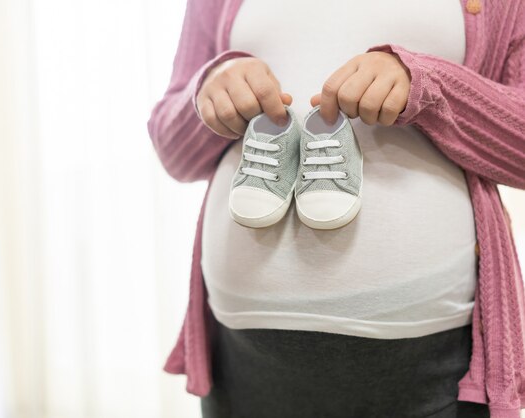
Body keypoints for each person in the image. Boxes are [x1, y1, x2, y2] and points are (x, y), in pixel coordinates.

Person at [147, 0, 525, 417]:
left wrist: (430, 86)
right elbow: (172, 151)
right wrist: (209, 89)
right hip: (241, 352)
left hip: (429, 356)